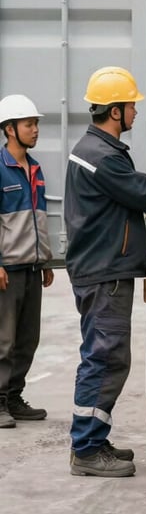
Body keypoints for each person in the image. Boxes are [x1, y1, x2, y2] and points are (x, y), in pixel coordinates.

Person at [65, 66, 146, 478]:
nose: (136, 112)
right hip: (105, 273)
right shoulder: (102, 157)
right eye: (131, 106)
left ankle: (94, 438)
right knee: (104, 359)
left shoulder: (96, 150)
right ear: (115, 111)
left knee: (107, 357)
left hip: (101, 270)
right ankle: (85, 449)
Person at [0, 95, 54, 429]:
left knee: (27, 338)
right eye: (28, 124)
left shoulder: (34, 168)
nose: (35, 130)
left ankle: (14, 396)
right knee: (4, 339)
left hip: (32, 267)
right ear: (9, 129)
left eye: (36, 124)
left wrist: (46, 260)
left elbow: (40, 217)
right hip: (7, 268)